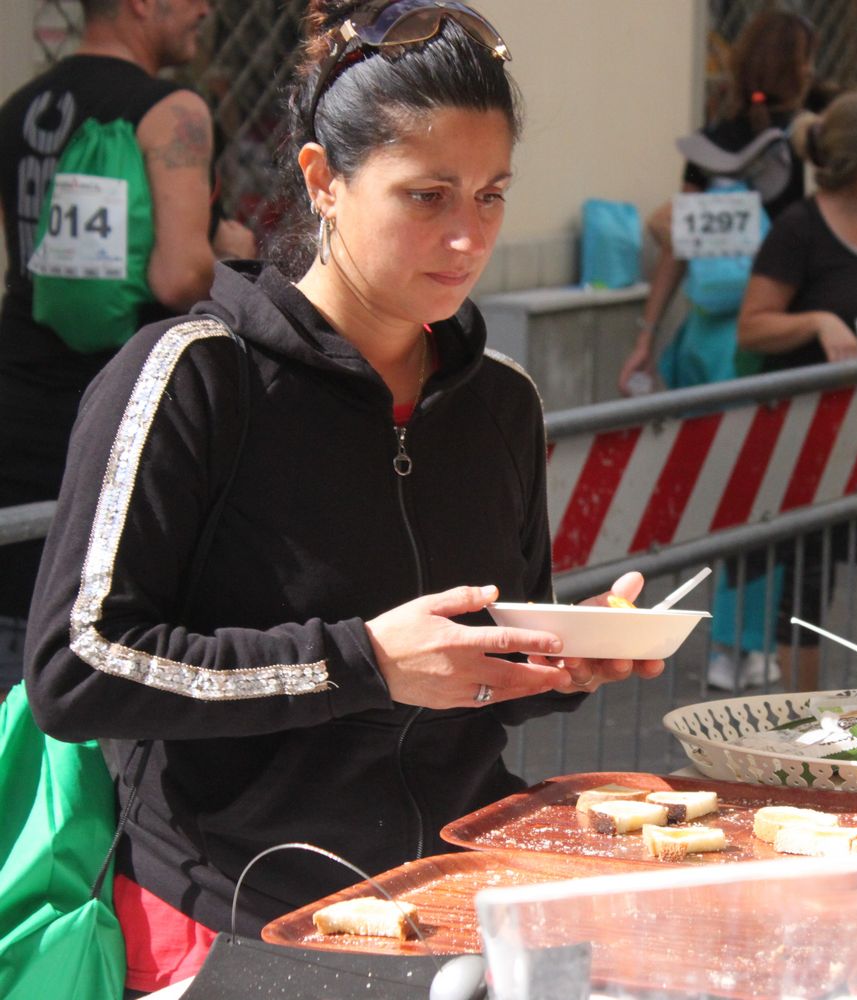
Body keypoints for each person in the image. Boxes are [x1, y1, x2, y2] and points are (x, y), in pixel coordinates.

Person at [23, 2, 662, 992]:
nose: (468, 237)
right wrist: (359, 663)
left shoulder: (500, 401)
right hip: (236, 913)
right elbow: (76, 667)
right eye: (427, 195)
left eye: (492, 195)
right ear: (324, 179)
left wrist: (564, 658)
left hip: (460, 900)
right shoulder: (195, 377)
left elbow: (473, 670)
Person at [0, 0, 256, 692]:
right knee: (76, 665)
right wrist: (229, 250)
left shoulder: (20, 108)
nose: (206, 10)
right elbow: (179, 275)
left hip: (16, 402)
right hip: (112, 423)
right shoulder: (171, 112)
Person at [617, 10, 818, 692]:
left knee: (718, 499)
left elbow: (676, 247)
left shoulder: (705, 145)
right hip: (763, 344)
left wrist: (648, 335)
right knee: (763, 499)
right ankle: (750, 642)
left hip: (701, 339)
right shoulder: (801, 146)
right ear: (800, 66)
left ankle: (724, 645)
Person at [737, 91, 857, 689]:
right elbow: (753, 325)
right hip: (808, 437)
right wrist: (818, 321)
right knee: (809, 579)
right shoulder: (800, 227)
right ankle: (803, 713)